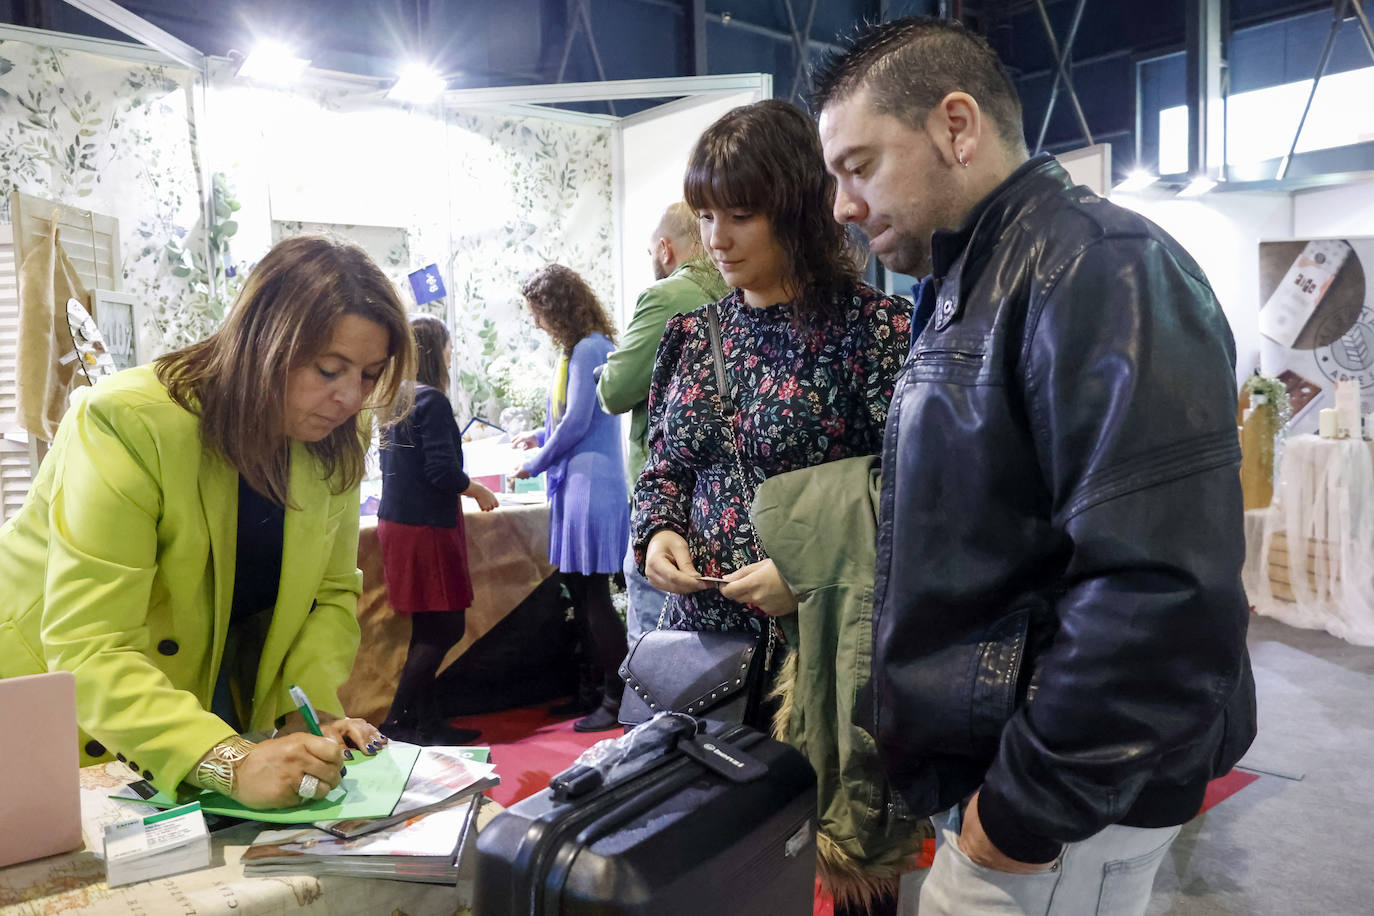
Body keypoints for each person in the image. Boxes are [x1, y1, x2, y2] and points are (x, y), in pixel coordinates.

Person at [812, 17, 1257, 915]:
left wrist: (1014, 817)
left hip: (1052, 817)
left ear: (956, 125)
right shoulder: (975, 278)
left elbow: (1158, 594)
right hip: (1010, 786)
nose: (842, 206)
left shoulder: (1100, 267)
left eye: (859, 166)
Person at [0, 235, 416, 810]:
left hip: (189, 696)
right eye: (328, 369)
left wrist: (310, 712)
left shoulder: (338, 434)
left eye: (370, 375)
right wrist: (226, 759)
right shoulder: (126, 421)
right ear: (262, 343)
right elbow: (91, 646)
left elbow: (329, 594)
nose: (349, 396)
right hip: (53, 704)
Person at [633, 99, 911, 654]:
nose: (717, 240)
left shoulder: (876, 329)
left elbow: (911, 493)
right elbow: (664, 468)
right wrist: (659, 533)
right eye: (706, 217)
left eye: (740, 216)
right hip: (700, 643)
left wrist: (809, 571)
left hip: (821, 640)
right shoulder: (689, 335)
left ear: (800, 211)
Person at [596, 201, 729, 642]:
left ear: (666, 250)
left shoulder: (666, 296)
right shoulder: (736, 293)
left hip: (666, 497)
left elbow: (616, 391)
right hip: (727, 504)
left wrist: (605, 370)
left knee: (656, 650)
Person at [512, 264, 630, 733]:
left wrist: (536, 460)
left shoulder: (588, 349)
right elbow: (574, 419)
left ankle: (616, 698)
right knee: (583, 596)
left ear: (557, 308)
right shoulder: (582, 350)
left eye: (538, 313)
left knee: (594, 598)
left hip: (592, 485)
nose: (537, 324)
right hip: (580, 482)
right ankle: (593, 692)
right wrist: (538, 435)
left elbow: (579, 423)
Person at [377, 315, 498, 746]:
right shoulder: (432, 401)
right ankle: (395, 724)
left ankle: (426, 726)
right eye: (448, 347)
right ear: (435, 351)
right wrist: (478, 489)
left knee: (427, 630)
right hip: (426, 526)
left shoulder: (396, 398)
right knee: (445, 628)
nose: (451, 355)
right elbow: (443, 471)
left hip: (398, 523)